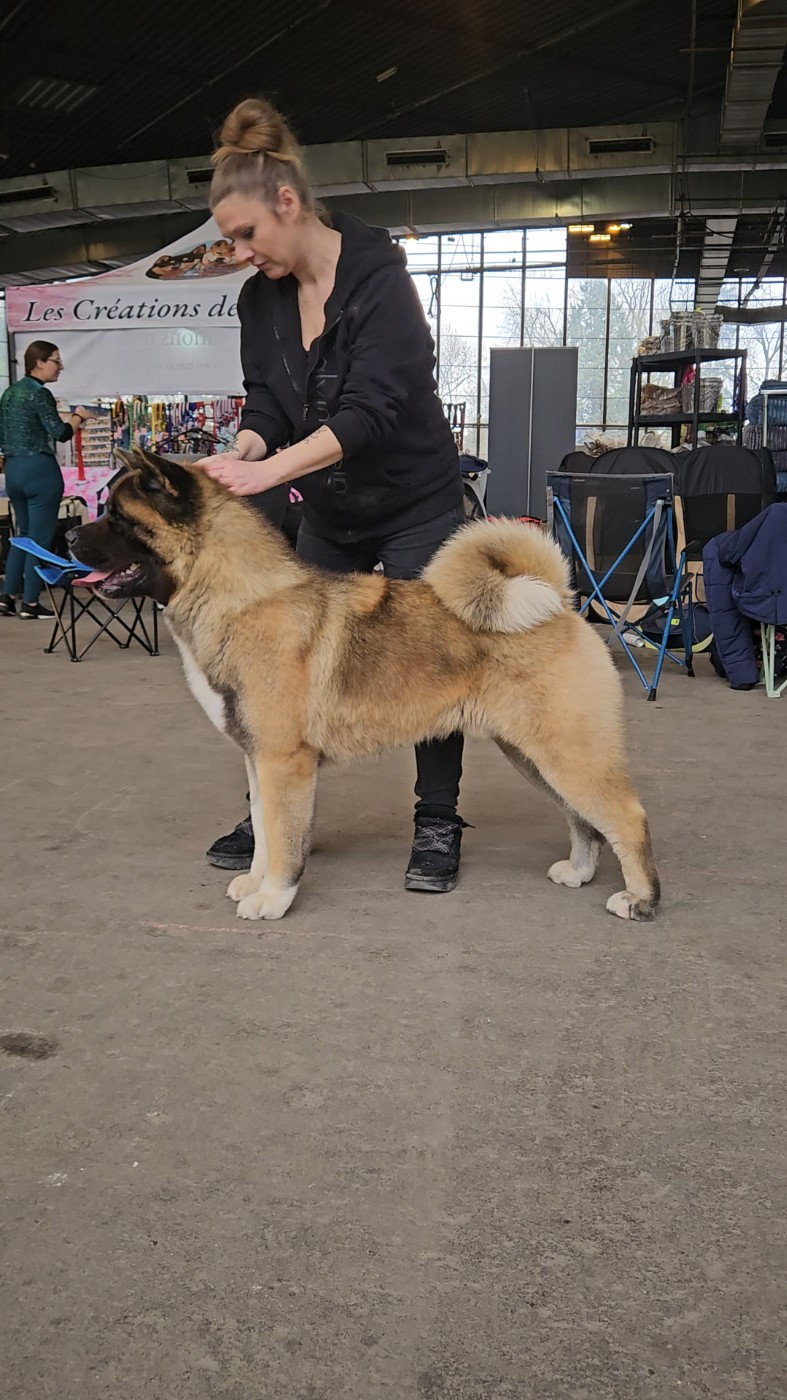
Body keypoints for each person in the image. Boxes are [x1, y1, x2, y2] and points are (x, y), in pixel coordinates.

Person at [200, 97, 467, 894]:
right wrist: (243, 447)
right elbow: (267, 403)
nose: (241, 253)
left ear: (288, 202)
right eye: (228, 241)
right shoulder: (261, 300)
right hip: (328, 511)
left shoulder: (382, 280)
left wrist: (267, 474)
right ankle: (273, 815)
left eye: (246, 234)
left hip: (414, 501)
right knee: (278, 672)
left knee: (434, 664)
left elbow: (371, 413)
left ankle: (436, 821)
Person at [0, 342, 93, 619]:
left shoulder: (9, 393)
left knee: (22, 536)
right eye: (56, 360)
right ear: (39, 362)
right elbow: (61, 432)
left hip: (14, 469)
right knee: (39, 538)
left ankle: (7, 596)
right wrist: (78, 416)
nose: (60, 366)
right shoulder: (40, 393)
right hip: (39, 468)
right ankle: (30, 602)